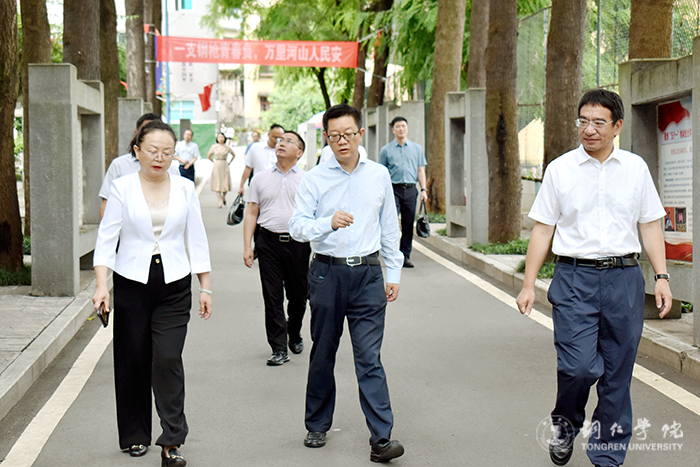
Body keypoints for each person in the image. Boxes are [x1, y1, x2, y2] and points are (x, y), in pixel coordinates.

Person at [515, 89, 672, 467]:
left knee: (617, 374)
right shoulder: (560, 169)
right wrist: (528, 284)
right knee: (578, 367)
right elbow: (543, 229)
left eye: (599, 122)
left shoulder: (635, 168)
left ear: (617, 126)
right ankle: (566, 424)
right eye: (583, 121)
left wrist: (662, 277)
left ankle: (607, 455)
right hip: (573, 278)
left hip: (624, 279)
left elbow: (650, 225)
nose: (589, 129)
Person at [92, 120, 212, 467]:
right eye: (152, 151)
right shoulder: (123, 187)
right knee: (133, 358)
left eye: (167, 152)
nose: (159, 158)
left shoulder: (185, 188)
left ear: (175, 155)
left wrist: (205, 286)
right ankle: (135, 434)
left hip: (174, 282)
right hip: (131, 281)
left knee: (168, 358)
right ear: (137, 151)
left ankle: (172, 440)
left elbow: (197, 238)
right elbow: (106, 239)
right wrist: (101, 285)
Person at [289, 104, 405, 463]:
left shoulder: (379, 175)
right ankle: (317, 424)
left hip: (368, 274)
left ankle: (382, 438)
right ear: (326, 137)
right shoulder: (314, 178)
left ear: (360, 134)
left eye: (348, 134)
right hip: (327, 273)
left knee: (369, 357)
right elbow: (297, 226)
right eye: (335, 136)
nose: (342, 141)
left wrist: (393, 272)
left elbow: (389, 226)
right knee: (323, 351)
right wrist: (327, 222)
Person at [243, 131, 311, 366]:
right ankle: (278, 348)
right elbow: (251, 212)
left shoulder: (308, 180)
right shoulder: (260, 178)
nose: (282, 143)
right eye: (281, 140)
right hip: (268, 242)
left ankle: (294, 331)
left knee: (298, 296)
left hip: (298, 244)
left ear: (299, 153)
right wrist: (247, 246)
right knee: (272, 297)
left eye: (289, 141)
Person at [99, 113, 180, 219]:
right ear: (137, 133)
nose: (159, 159)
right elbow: (107, 202)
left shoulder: (174, 172)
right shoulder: (119, 166)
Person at [378, 116, 428, 268]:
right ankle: (391, 253)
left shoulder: (416, 149)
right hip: (393, 190)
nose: (401, 129)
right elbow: (381, 173)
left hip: (411, 189)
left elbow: (420, 170)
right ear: (393, 130)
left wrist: (423, 190)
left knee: (408, 223)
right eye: (398, 126)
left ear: (407, 128)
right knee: (392, 222)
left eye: (403, 126)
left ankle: (405, 255)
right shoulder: (386, 150)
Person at [238, 124, 285, 195]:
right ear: (269, 134)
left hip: (277, 190)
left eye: (280, 138)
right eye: (275, 137)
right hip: (258, 189)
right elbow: (248, 168)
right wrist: (241, 186)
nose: (277, 140)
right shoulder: (255, 148)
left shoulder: (284, 152)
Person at [207, 133, 236, 208]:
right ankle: (219, 201)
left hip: (224, 164)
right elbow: (209, 155)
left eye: (222, 137)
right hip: (217, 164)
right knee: (218, 183)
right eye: (219, 137)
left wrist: (229, 162)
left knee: (225, 182)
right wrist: (214, 161)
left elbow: (233, 155)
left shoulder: (227, 147)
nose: (220, 138)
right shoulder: (214, 147)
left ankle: (223, 196)